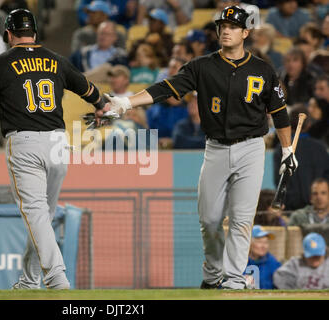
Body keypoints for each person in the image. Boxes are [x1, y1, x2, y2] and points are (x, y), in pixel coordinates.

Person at [103, 6, 297, 289]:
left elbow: (279, 113)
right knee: (209, 219)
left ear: (245, 32)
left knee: (242, 219)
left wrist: (288, 150)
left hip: (251, 148)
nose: (226, 29)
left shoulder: (263, 69)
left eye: (233, 25)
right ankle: (213, 271)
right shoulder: (201, 66)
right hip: (216, 148)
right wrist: (127, 101)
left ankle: (233, 279)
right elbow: (168, 87)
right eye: (222, 25)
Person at [0, 9, 107, 290]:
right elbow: (92, 92)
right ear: (34, 31)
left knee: (35, 214)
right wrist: (101, 108)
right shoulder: (56, 60)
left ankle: (57, 278)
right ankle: (30, 280)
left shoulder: (1, 62)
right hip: (58, 142)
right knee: (42, 216)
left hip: (25, 143)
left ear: (8, 33)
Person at [273, 106, 329, 210]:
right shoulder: (320, 148)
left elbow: (279, 180)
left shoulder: (281, 149)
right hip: (318, 208)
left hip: (291, 208)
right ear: (309, 124)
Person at [245, 225, 281, 289]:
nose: (264, 246)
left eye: (266, 242)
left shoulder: (272, 262)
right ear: (249, 243)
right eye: (260, 242)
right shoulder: (239, 262)